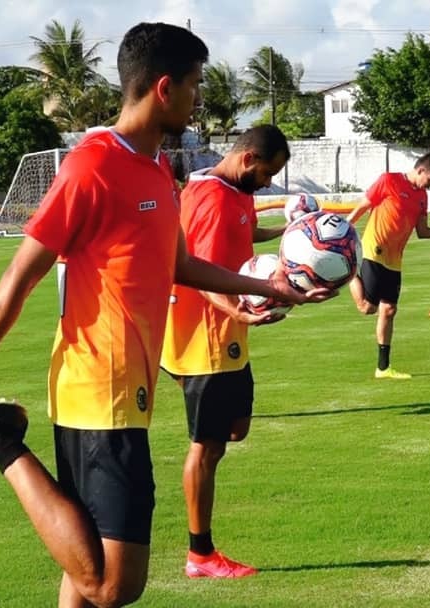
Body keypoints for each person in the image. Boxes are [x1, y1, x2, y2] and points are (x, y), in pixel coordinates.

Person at [0, 23, 329, 608]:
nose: (199, 98)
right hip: (97, 387)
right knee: (111, 584)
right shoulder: (91, 166)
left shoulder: (159, 169)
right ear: (164, 88)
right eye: (195, 85)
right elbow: (20, 275)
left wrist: (269, 286)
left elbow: (178, 263)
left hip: (128, 388)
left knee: (82, 561)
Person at [161, 125, 290, 579]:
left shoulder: (235, 191)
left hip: (228, 336)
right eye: (268, 173)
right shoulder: (213, 200)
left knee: (235, 431)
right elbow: (199, 273)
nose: (270, 183)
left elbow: (246, 236)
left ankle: (200, 545)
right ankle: (200, 554)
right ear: (249, 159)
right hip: (205, 339)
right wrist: (241, 313)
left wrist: (296, 233)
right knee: (207, 446)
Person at [346, 153, 430, 379]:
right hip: (374, 251)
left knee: (389, 310)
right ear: (420, 170)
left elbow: (423, 232)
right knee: (367, 308)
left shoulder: (422, 196)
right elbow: (362, 206)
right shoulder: (388, 180)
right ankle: (349, 270)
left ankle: (383, 368)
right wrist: (341, 233)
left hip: (395, 260)